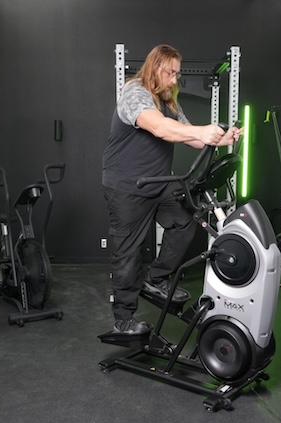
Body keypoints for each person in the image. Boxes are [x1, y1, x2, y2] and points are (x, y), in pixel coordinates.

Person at [102, 44, 242, 334]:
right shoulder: (135, 92)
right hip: (127, 185)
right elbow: (159, 128)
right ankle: (123, 320)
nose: (175, 80)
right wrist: (202, 132)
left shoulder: (169, 101)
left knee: (184, 222)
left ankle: (155, 278)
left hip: (157, 182)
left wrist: (222, 136)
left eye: (177, 74)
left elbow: (191, 136)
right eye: (171, 73)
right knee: (128, 252)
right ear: (155, 68)